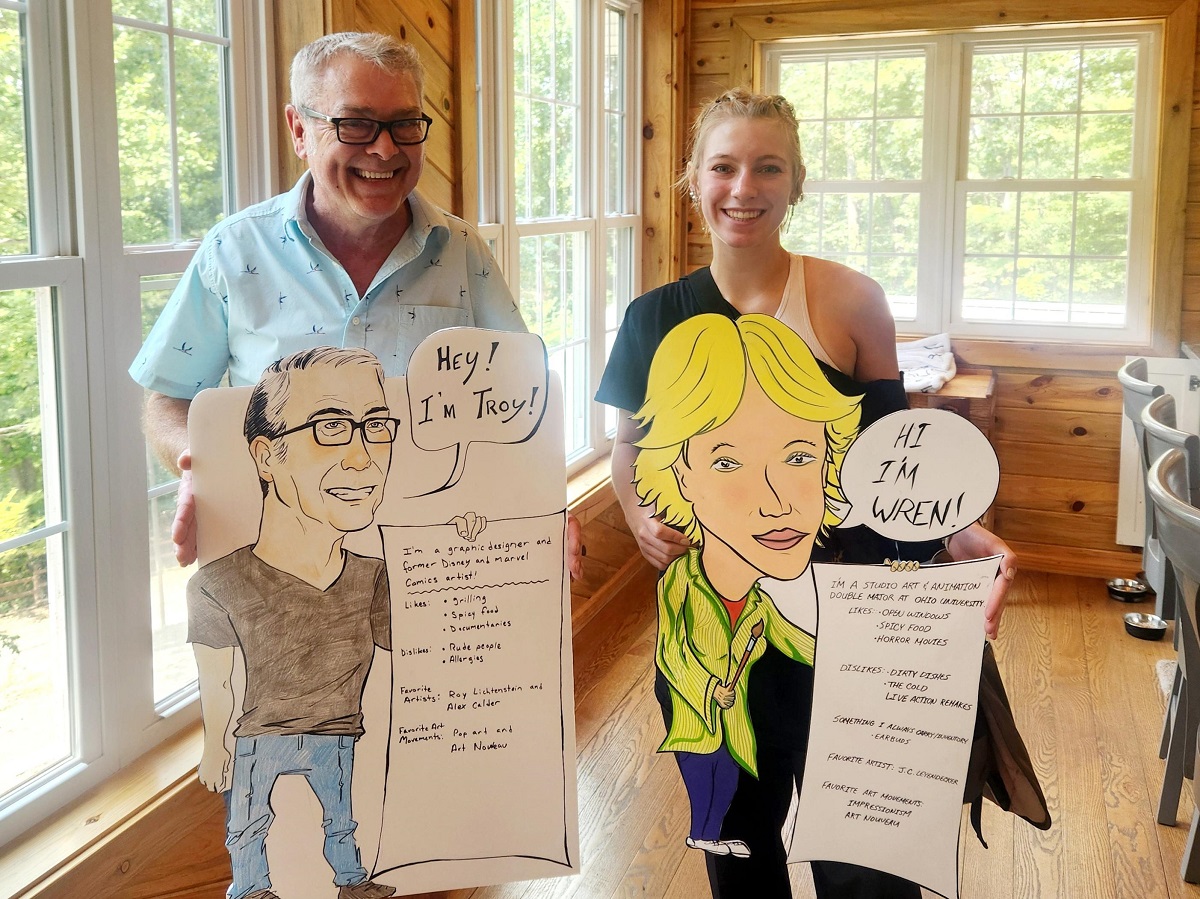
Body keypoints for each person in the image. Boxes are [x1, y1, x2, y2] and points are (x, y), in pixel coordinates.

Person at [596, 88, 1017, 898]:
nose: (743, 188)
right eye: (723, 167)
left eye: (768, 167)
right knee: (739, 842)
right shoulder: (652, 317)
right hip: (717, 621)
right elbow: (627, 447)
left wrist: (961, 533)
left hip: (852, 613)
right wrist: (637, 514)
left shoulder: (851, 300)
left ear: (796, 183)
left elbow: (897, 458)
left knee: (867, 854)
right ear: (694, 179)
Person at [129, 31, 581, 576]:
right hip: (281, 564)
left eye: (404, 124)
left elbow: (520, 401)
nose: (385, 149)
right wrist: (203, 467)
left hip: (441, 564)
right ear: (300, 130)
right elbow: (169, 397)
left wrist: (542, 498)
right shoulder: (233, 251)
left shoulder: (464, 252)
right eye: (355, 124)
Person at [636, 313, 861, 859]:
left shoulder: (787, 604)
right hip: (711, 727)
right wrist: (705, 690)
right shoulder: (684, 588)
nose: (777, 502)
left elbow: (791, 637)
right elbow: (677, 652)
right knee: (737, 839)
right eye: (729, 462)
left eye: (799, 456)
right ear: (682, 474)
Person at [190, 346, 409, 899]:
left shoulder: (374, 577)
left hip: (338, 729)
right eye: (331, 426)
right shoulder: (218, 584)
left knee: (342, 819)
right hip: (259, 734)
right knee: (248, 823)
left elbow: (418, 664)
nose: (363, 459)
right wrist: (215, 744)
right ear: (266, 456)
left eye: (376, 425)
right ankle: (252, 889)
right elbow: (216, 682)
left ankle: (351, 882)